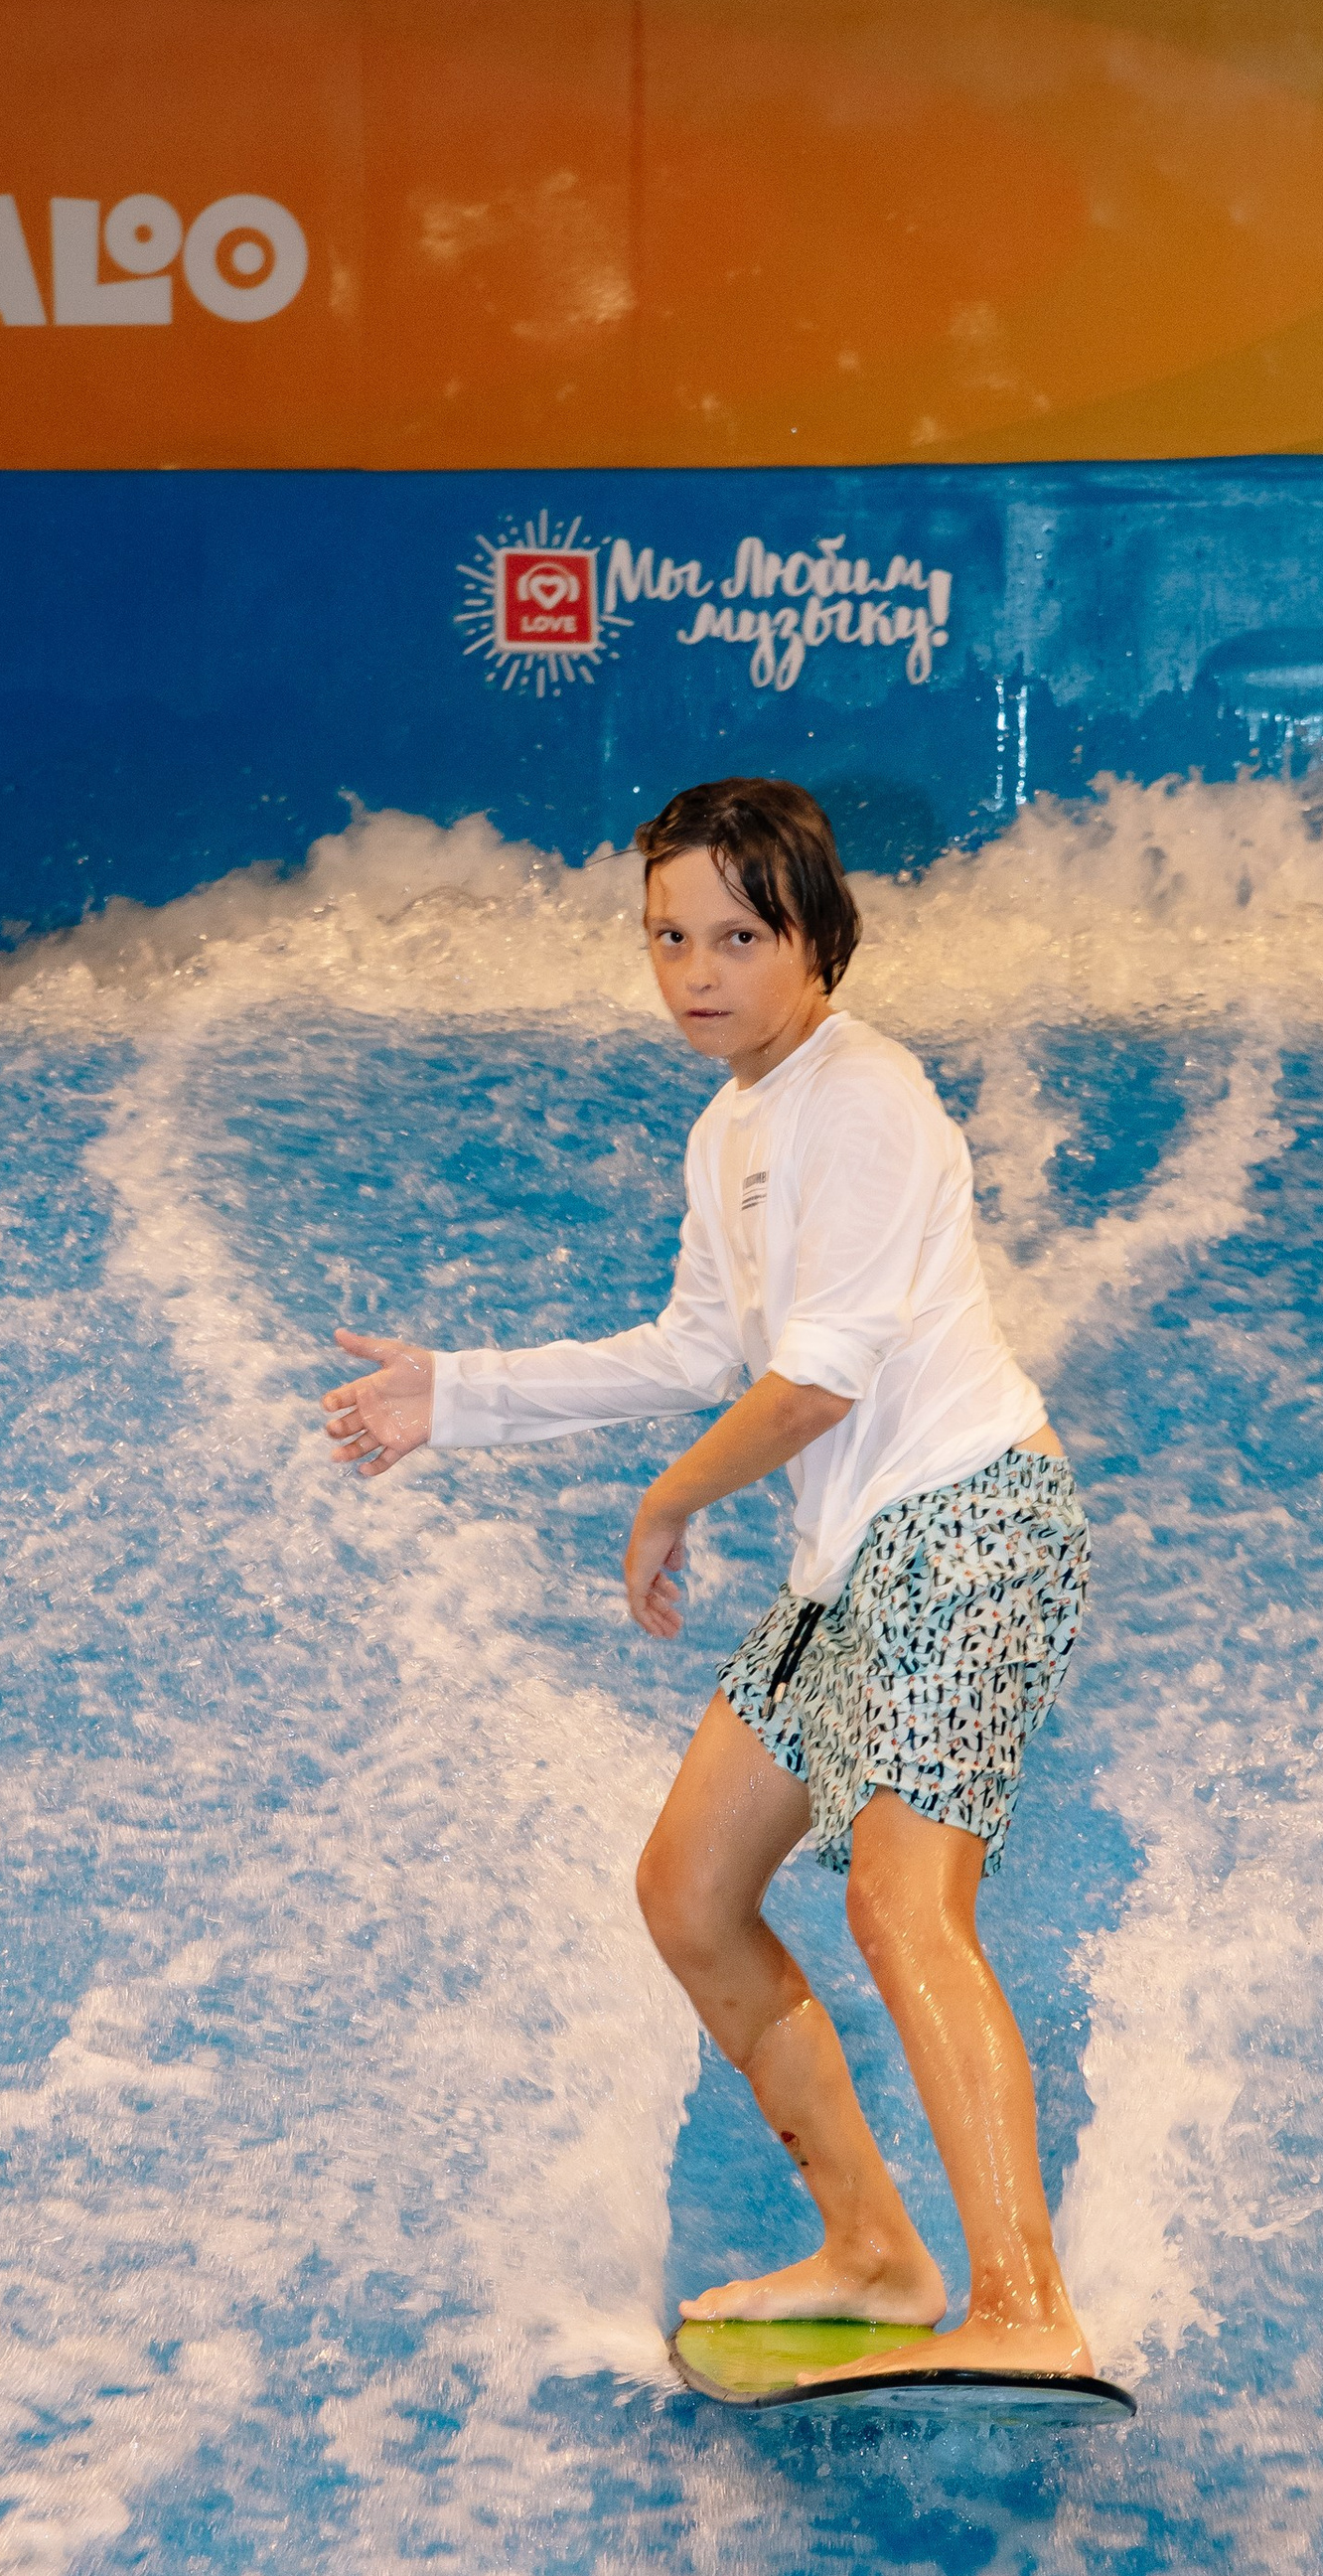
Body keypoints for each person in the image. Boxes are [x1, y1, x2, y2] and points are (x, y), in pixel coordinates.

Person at [321, 776, 1098, 2382]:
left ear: (818, 938)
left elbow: (816, 1380)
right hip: (853, 1565)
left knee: (903, 1903)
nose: (696, 971)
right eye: (669, 937)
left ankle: (1028, 2309)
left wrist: (668, 1501)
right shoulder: (731, 1124)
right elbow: (695, 1348)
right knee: (688, 1888)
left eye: (739, 937)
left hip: (971, 1529)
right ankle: (873, 2252)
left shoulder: (864, 1096)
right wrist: (454, 1394)